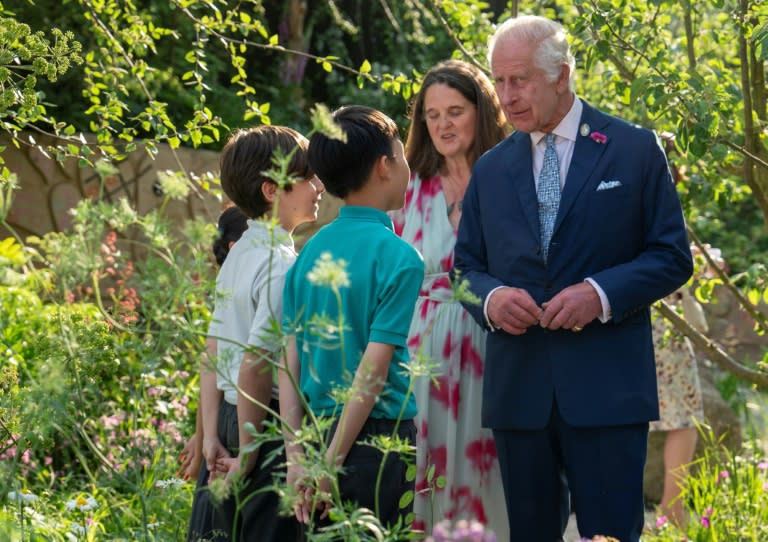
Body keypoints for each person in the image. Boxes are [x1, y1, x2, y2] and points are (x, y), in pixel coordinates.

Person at [452, 15, 693, 542]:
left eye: (520, 80)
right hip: (519, 397)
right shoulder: (490, 169)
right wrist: (491, 301)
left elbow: (672, 257)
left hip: (606, 392)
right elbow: (464, 269)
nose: (506, 95)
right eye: (499, 80)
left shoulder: (633, 150)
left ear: (562, 75)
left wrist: (600, 295)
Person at [279, 105, 425, 532]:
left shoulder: (307, 255)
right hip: (379, 445)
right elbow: (374, 369)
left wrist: (297, 458)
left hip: (315, 435)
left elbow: (288, 362)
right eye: (402, 154)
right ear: (386, 166)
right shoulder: (401, 258)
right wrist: (332, 463)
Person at [187, 125, 325, 542]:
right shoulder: (281, 265)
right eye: (307, 177)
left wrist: (211, 435)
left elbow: (213, 352)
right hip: (260, 428)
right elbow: (255, 365)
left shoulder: (239, 253)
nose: (318, 186)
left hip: (228, 420)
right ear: (271, 190)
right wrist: (247, 457)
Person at [389, 59, 509, 539]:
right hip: (424, 354)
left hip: (495, 347)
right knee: (425, 464)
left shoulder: (507, 178)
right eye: (431, 115)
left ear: (482, 111)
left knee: (493, 467)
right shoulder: (408, 186)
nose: (442, 125)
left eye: (455, 111)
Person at [650, 287, 705, 528]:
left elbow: (699, 327)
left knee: (685, 422)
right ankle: (670, 509)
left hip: (672, 346)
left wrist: (688, 291)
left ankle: (672, 506)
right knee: (684, 423)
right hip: (635, 339)